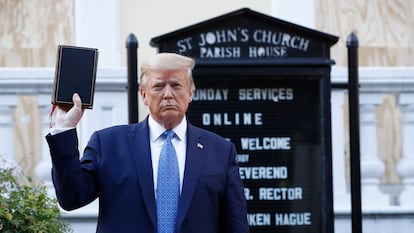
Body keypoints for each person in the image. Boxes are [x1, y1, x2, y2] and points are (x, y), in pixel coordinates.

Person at [46, 52, 249, 233]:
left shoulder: (220, 151)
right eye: (158, 86)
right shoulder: (109, 144)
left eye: (176, 85)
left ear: (190, 93)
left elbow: (235, 224)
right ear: (143, 95)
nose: (168, 94)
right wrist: (65, 128)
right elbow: (71, 197)